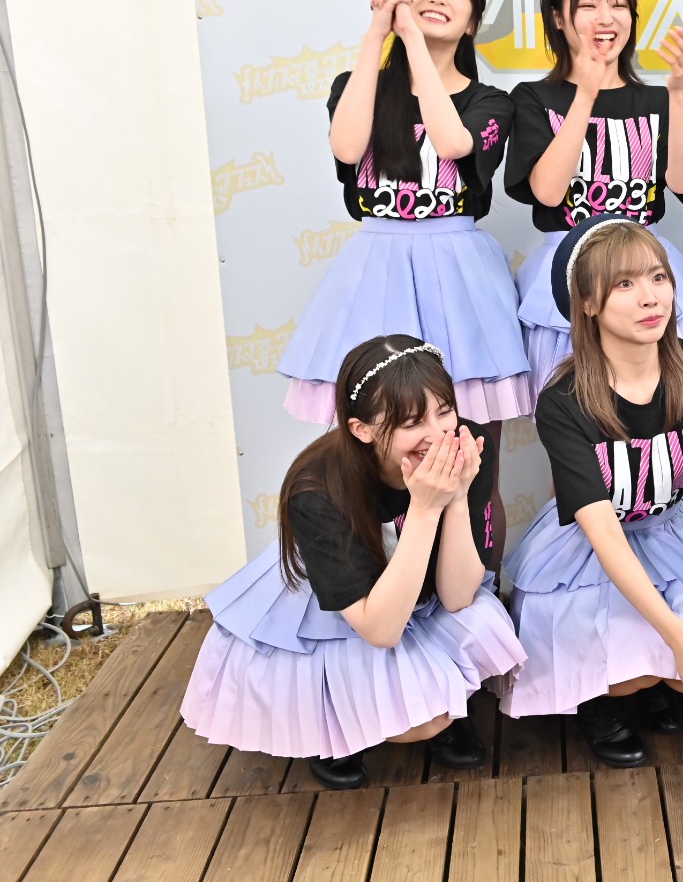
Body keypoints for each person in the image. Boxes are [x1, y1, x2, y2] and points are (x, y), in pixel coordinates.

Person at [183, 335, 524, 791]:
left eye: (444, 411)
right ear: (362, 429)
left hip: (414, 584)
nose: (439, 433)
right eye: (411, 422)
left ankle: (442, 704)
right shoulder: (317, 488)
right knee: (402, 708)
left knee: (469, 642)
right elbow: (378, 629)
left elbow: (459, 597)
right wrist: (425, 510)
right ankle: (332, 733)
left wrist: (457, 497)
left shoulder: (465, 445)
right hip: (336, 607)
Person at [276, 0, 526, 552]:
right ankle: (380, 581)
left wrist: (411, 39)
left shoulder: (492, 102)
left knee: (473, 459)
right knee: (371, 449)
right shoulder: (355, 85)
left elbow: (453, 142)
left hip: (459, 278)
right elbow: (346, 147)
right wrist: (377, 36)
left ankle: (478, 584)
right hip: (377, 272)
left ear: (472, 21)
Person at [500, 215, 683, 767]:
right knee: (644, 665)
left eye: (658, 278)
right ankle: (604, 700)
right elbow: (602, 533)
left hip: (671, 531)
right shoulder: (564, 400)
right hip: (588, 550)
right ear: (587, 303)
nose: (650, 298)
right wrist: (680, 640)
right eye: (624, 284)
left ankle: (652, 679)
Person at [507, 0, 683, 389]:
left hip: (646, 266)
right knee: (577, 408)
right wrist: (586, 93)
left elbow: (682, 181)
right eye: (588, 4)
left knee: (668, 401)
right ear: (558, 18)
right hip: (571, 273)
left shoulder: (655, 99)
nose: (606, 17)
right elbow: (547, 192)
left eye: (618, 4)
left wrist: (679, 92)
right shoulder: (533, 98)